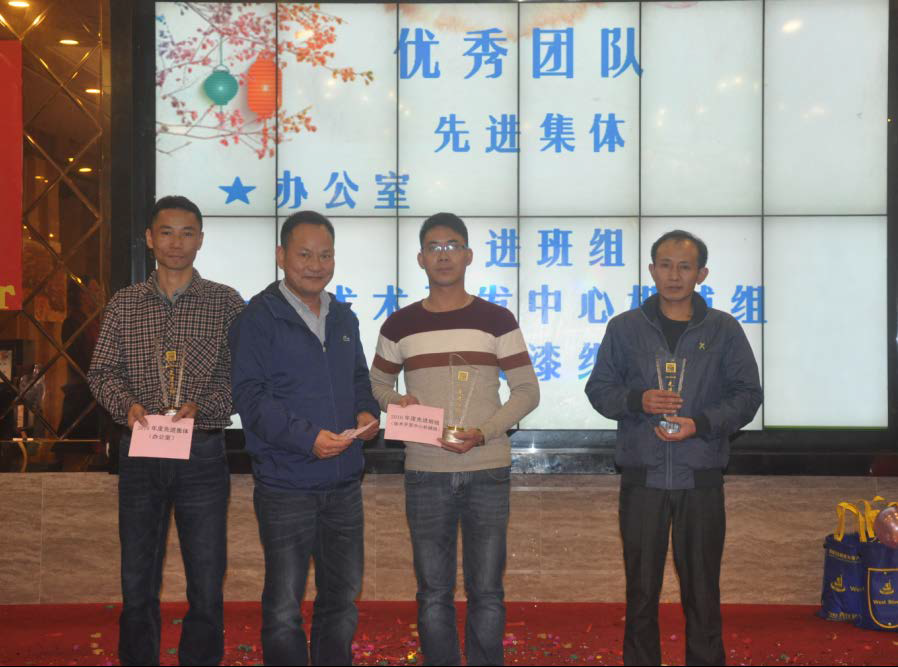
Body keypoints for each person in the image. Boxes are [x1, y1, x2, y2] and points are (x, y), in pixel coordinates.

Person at [584, 229, 762, 666]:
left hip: (699, 477)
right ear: (651, 270)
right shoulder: (625, 328)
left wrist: (700, 424)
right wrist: (637, 400)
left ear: (702, 273)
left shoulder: (723, 329)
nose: (674, 275)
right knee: (641, 591)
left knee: (703, 590)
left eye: (685, 266)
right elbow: (599, 389)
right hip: (642, 479)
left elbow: (747, 395)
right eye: (665, 265)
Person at [369, 212, 540, 666]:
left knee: (488, 591)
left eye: (452, 246)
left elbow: (527, 390)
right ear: (420, 258)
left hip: (487, 468)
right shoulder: (399, 325)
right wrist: (396, 401)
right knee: (432, 592)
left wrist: (484, 432)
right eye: (434, 247)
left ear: (468, 255)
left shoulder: (496, 319)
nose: (443, 255)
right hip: (425, 470)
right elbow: (377, 384)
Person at [88, 195, 245, 666]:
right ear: (149, 238)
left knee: (206, 578)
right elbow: (101, 373)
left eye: (187, 233)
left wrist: (205, 407)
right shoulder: (125, 303)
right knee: (137, 579)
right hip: (141, 447)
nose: (177, 243)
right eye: (167, 232)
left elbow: (242, 377)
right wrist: (128, 406)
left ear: (201, 239)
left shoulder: (226, 302)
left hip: (202, 450)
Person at [229, 210, 380, 666]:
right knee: (283, 607)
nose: (316, 265)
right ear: (281, 256)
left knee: (341, 599)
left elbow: (359, 380)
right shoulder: (258, 318)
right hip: (285, 484)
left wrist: (366, 412)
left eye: (325, 255)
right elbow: (250, 397)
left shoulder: (344, 317)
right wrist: (307, 437)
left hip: (344, 484)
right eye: (305, 254)